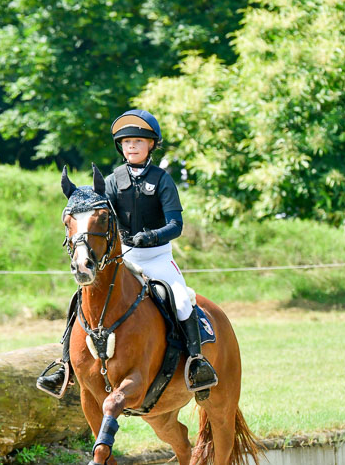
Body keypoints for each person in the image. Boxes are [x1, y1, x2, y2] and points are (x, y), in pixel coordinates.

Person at [36, 109, 217, 399]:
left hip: (157, 257)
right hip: (124, 257)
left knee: (182, 300)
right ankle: (64, 365)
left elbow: (176, 225)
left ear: (151, 145)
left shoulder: (162, 180)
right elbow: (100, 216)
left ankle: (197, 362)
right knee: (79, 300)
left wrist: (152, 236)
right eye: (126, 142)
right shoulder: (112, 180)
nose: (131, 146)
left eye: (138, 141)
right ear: (120, 147)